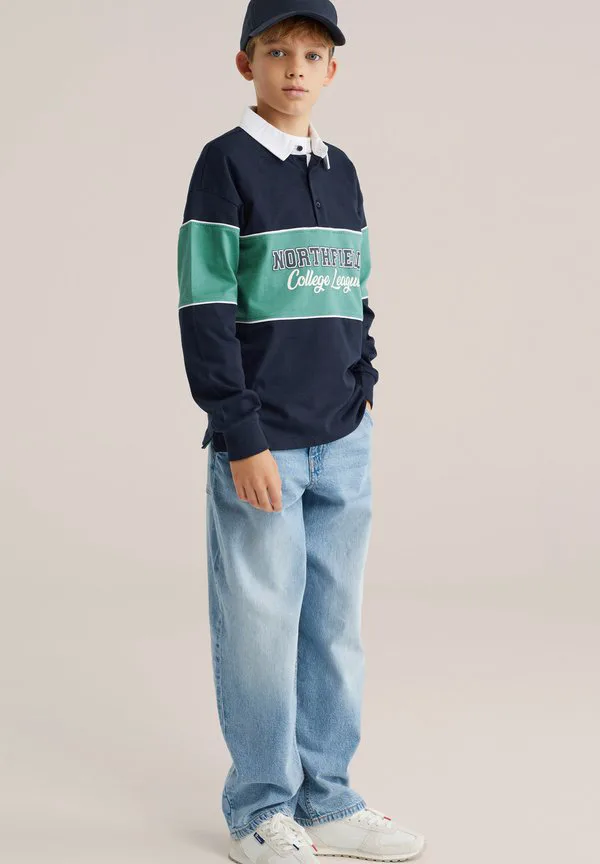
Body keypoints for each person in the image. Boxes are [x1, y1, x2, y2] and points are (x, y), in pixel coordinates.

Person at [177, 1, 426, 861]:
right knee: (260, 629)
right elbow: (205, 308)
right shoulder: (224, 164)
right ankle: (258, 809)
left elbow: (355, 289)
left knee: (333, 629)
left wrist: (365, 384)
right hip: (264, 444)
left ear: (332, 71)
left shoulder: (342, 169)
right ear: (244, 63)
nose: (295, 67)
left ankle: (329, 800)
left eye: (313, 55)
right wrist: (240, 433)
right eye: (277, 51)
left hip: (343, 436)